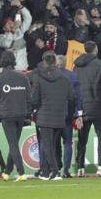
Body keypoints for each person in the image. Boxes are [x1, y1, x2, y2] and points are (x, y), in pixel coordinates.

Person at [32, 51, 77, 181]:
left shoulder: (39, 77)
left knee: (47, 144)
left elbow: (35, 98)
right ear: (56, 63)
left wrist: (33, 112)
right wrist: (69, 115)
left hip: (44, 115)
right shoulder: (65, 78)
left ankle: (54, 171)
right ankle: (49, 171)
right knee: (51, 144)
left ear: (44, 63)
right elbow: (72, 98)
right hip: (59, 115)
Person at [0, 50, 33, 181]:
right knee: (13, 143)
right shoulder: (23, 77)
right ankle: (7, 172)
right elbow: (29, 98)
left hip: (6, 114)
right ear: (14, 61)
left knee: (13, 144)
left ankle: (21, 173)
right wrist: (28, 115)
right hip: (21, 114)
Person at [73, 40, 101, 177]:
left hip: (82, 107)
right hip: (99, 106)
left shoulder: (76, 66)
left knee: (82, 139)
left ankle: (80, 168)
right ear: (95, 49)